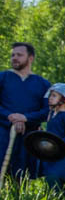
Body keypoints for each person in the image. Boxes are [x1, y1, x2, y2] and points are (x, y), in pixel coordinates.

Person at [0, 42, 50, 181]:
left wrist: (25, 118)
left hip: (28, 137)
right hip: (2, 133)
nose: (14, 58)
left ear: (30, 58)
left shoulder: (43, 84)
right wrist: (10, 117)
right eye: (13, 55)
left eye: (19, 55)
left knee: (22, 178)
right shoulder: (2, 78)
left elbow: (48, 111)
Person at [37, 83, 65, 191]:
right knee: (49, 178)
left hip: (63, 153)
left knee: (57, 177)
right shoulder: (52, 114)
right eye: (50, 95)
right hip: (50, 152)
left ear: (64, 99)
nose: (50, 98)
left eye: (54, 96)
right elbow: (52, 132)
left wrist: (58, 144)